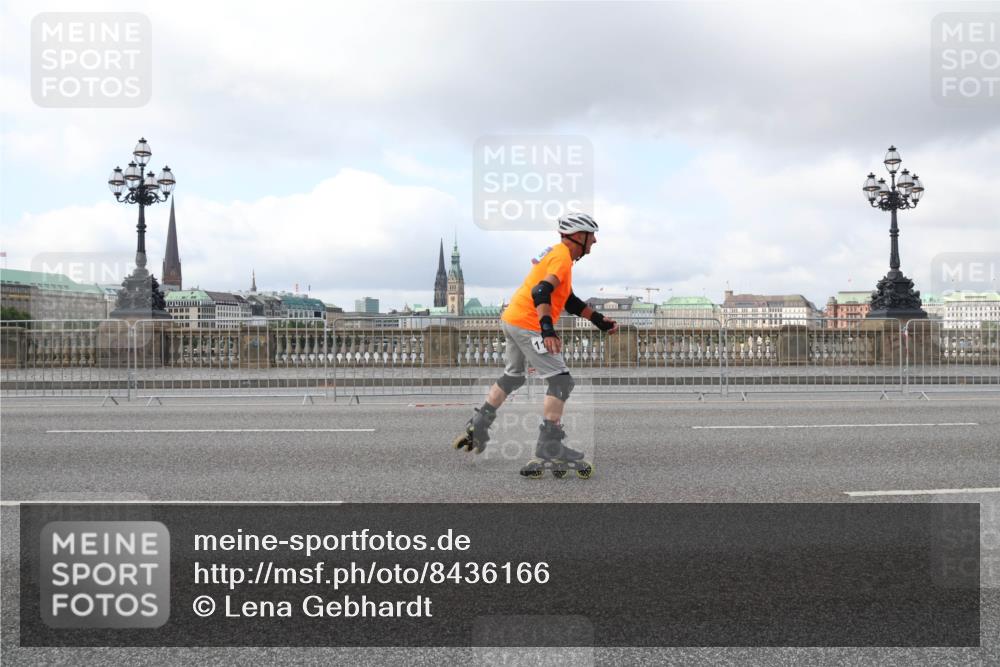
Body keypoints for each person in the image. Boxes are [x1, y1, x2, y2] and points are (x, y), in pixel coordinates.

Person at [452, 212, 618, 475]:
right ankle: (549, 446)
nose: (595, 241)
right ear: (579, 236)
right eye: (592, 235)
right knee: (561, 381)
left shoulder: (556, 254)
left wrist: (597, 319)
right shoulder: (562, 257)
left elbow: (568, 299)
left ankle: (479, 424)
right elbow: (541, 291)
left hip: (511, 318)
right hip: (529, 323)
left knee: (513, 377)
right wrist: (547, 329)